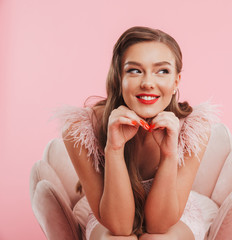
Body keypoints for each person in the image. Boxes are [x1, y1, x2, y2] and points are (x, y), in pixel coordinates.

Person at [58, 26, 219, 240]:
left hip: (172, 215)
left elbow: (159, 226)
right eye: (135, 70)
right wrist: (114, 149)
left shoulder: (192, 127)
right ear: (119, 77)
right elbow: (120, 227)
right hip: (110, 215)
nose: (148, 83)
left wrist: (169, 154)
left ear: (176, 82)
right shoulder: (80, 128)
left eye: (162, 71)